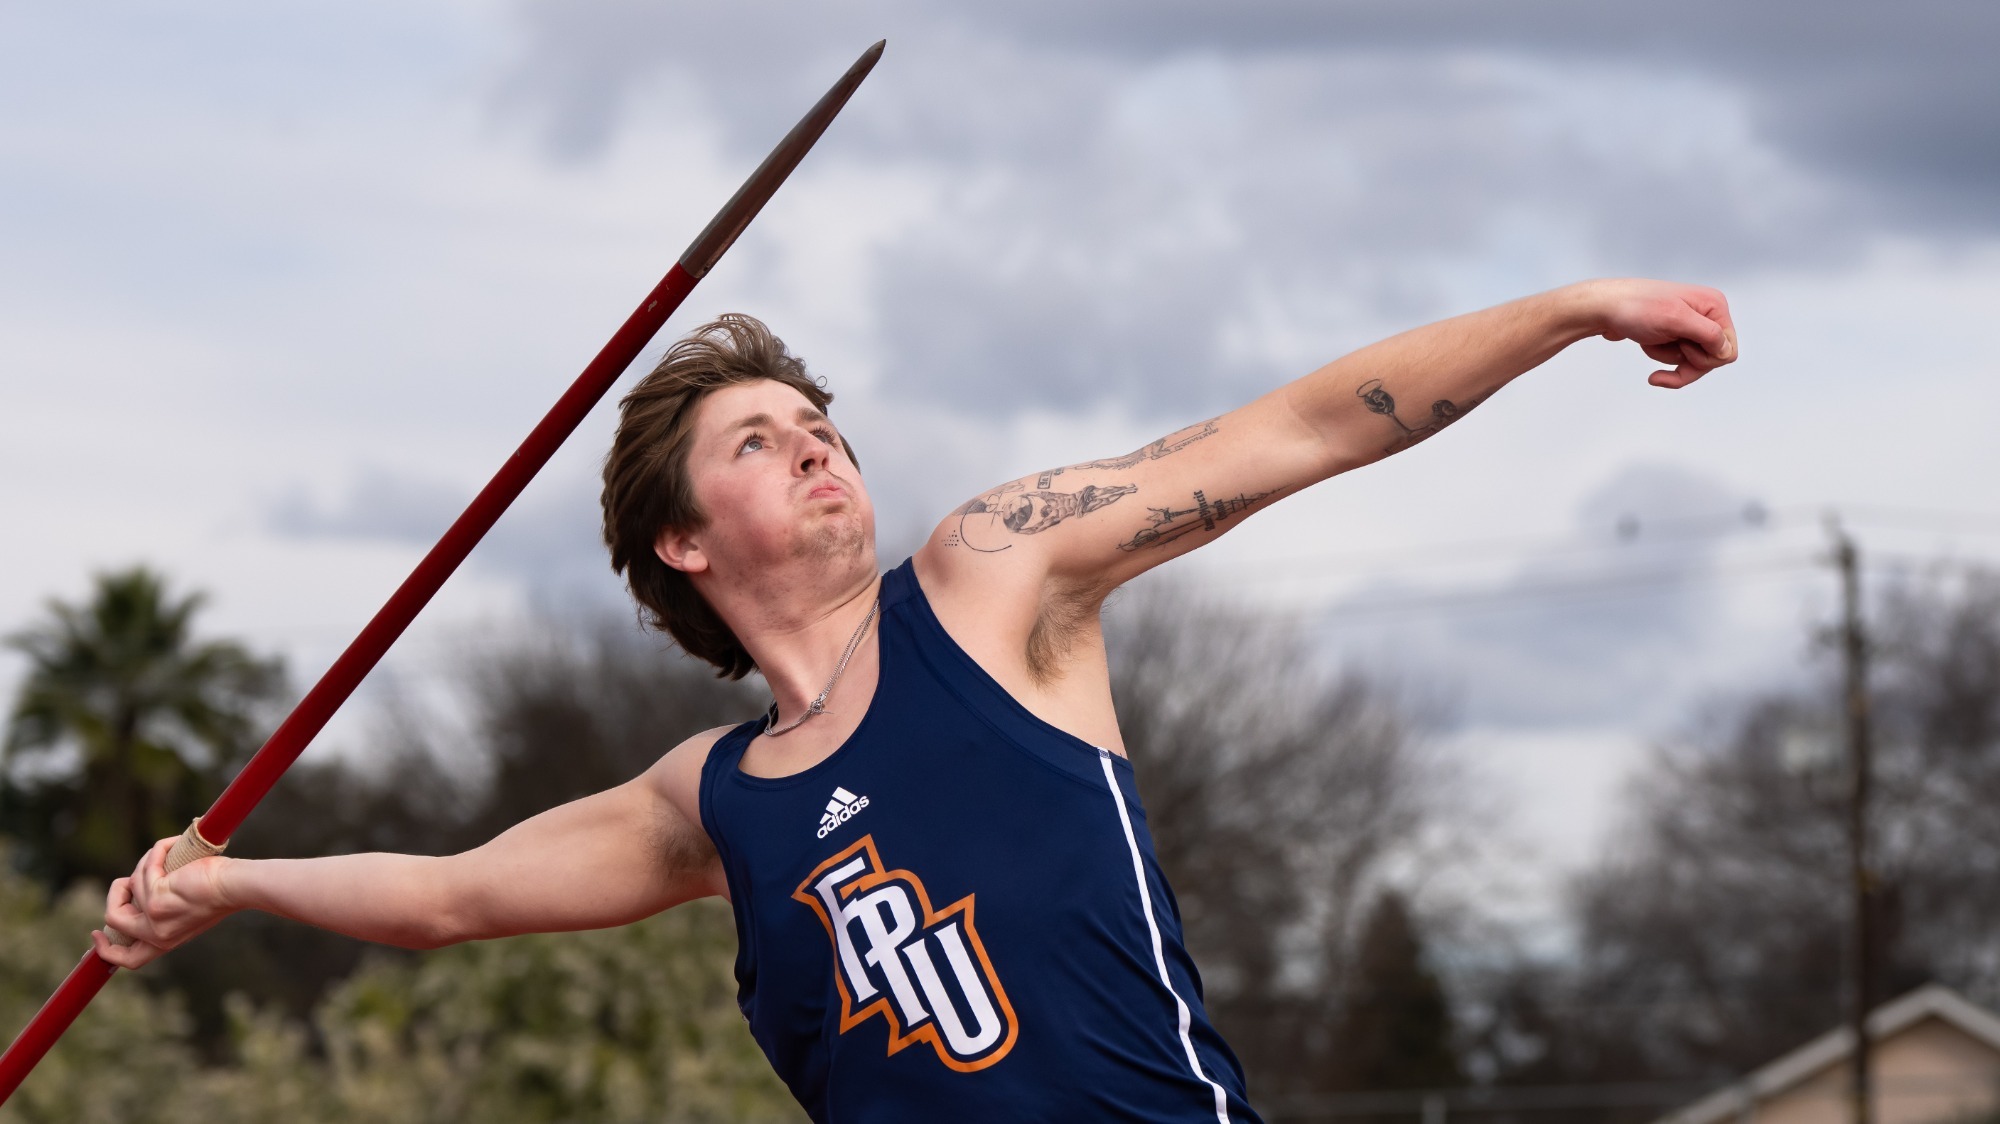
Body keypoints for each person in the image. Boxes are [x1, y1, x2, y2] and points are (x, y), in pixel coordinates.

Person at [97, 279, 1736, 1122]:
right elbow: (451, 896)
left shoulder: (988, 584)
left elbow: (1296, 429)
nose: (817, 441)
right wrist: (224, 882)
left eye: (821, 420)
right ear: (681, 540)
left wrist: (1578, 311)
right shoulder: (711, 801)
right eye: (759, 439)